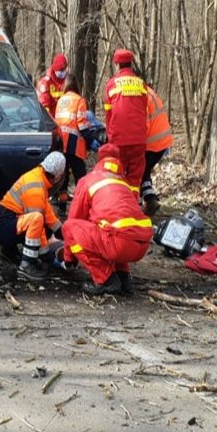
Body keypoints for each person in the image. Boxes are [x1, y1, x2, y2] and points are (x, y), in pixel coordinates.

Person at [61, 144, 153, 296]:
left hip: (119, 244)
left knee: (69, 227)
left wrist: (68, 258)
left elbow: (74, 219)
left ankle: (105, 279)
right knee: (113, 226)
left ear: (99, 159)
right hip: (141, 245)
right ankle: (124, 278)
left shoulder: (88, 180)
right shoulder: (124, 183)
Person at [0, 152, 66, 281]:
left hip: (6, 223)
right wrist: (48, 257)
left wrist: (63, 232)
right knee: (37, 219)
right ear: (58, 177)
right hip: (3, 226)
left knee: (42, 222)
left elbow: (48, 215)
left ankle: (9, 251)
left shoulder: (38, 178)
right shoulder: (36, 187)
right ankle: (26, 265)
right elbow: (38, 225)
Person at [102, 49, 150, 192]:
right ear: (130, 64)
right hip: (139, 139)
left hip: (119, 139)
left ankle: (118, 204)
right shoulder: (141, 84)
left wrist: (110, 137)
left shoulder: (111, 84)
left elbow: (108, 114)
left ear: (117, 65)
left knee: (117, 175)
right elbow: (143, 110)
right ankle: (133, 206)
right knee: (135, 179)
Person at [53, 75, 90, 212]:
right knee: (80, 175)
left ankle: (62, 207)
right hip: (74, 144)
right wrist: (91, 140)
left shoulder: (60, 100)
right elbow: (82, 125)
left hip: (60, 142)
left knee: (64, 177)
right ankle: (83, 205)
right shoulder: (79, 100)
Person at [141, 84, 173, 216]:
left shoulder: (141, 96)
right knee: (144, 170)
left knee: (137, 171)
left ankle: (136, 207)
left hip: (152, 143)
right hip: (162, 142)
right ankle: (150, 199)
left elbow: (144, 125)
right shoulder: (150, 92)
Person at [36, 53, 69, 119]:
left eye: (64, 69)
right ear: (55, 69)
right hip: (52, 120)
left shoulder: (68, 80)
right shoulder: (45, 83)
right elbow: (44, 106)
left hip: (65, 118)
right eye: (61, 70)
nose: (63, 72)